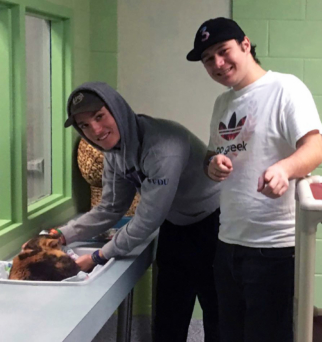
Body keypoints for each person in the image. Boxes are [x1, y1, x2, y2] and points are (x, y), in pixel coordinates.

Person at [186, 17, 322, 342]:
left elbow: (315, 146)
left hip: (273, 248)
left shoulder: (285, 88)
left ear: (245, 45)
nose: (218, 64)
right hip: (228, 242)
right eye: (208, 60)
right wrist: (212, 163)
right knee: (228, 334)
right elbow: (214, 153)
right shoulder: (223, 102)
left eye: (223, 51)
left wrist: (285, 169)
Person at [54, 82, 220, 342]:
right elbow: (110, 207)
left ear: (117, 110)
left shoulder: (163, 147)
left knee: (217, 314)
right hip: (176, 224)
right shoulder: (115, 151)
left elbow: (147, 220)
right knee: (168, 317)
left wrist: (98, 256)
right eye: (84, 125)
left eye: (99, 116)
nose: (95, 130)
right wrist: (60, 235)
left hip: (213, 224)